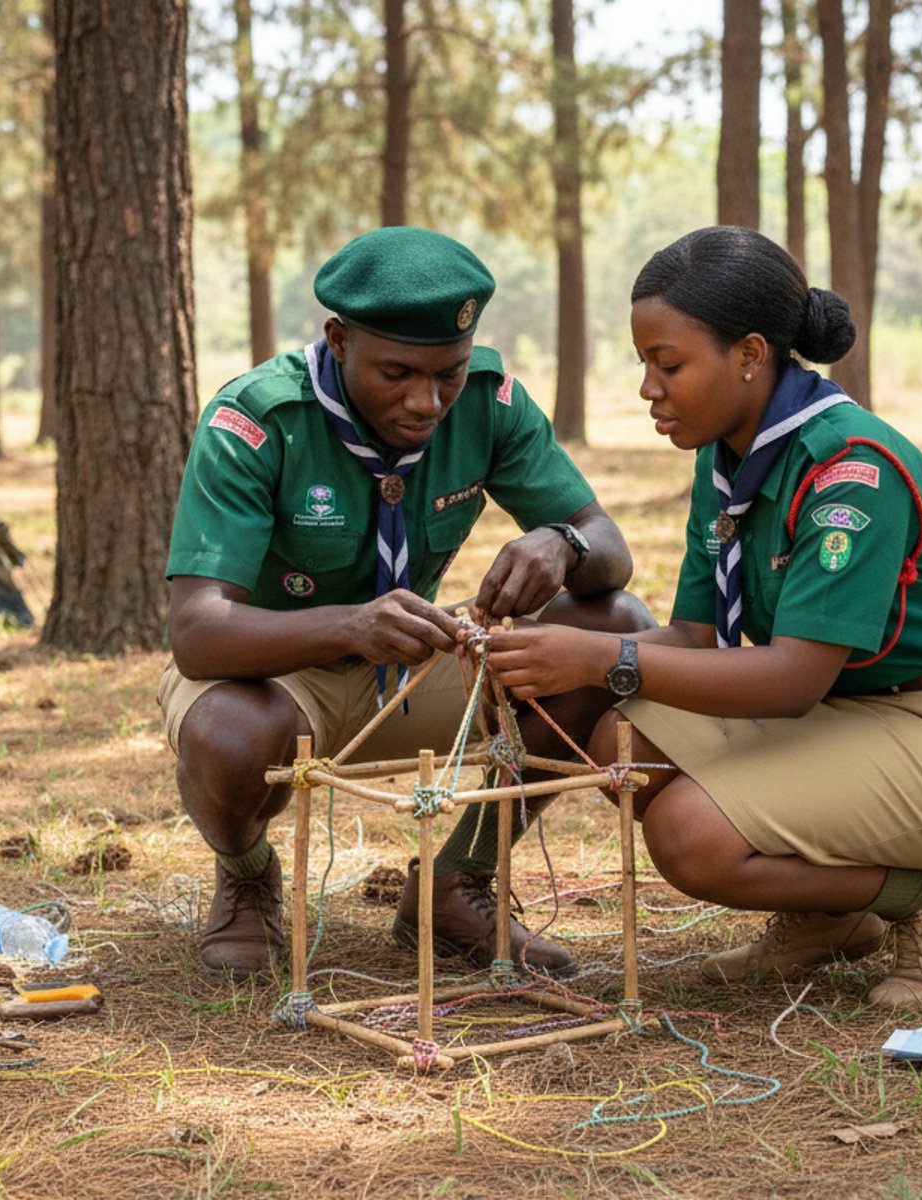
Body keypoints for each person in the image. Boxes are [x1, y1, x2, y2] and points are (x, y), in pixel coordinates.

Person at [483, 226, 922, 1006]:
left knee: (690, 836)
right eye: (644, 363)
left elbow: (790, 678)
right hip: (855, 714)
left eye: (669, 364)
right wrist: (543, 654)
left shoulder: (850, 468)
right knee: (626, 742)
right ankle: (830, 914)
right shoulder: (728, 457)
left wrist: (601, 660)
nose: (648, 389)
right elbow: (692, 637)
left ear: (751, 355)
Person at [162, 226, 654, 982]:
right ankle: (249, 875)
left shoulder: (489, 403)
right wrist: (352, 624)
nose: (426, 401)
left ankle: (456, 883)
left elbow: (606, 546)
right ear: (337, 340)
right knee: (228, 735)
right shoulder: (259, 420)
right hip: (272, 676)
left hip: (417, 665)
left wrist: (563, 543)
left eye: (447, 374)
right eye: (397, 371)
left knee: (615, 631)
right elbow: (197, 633)